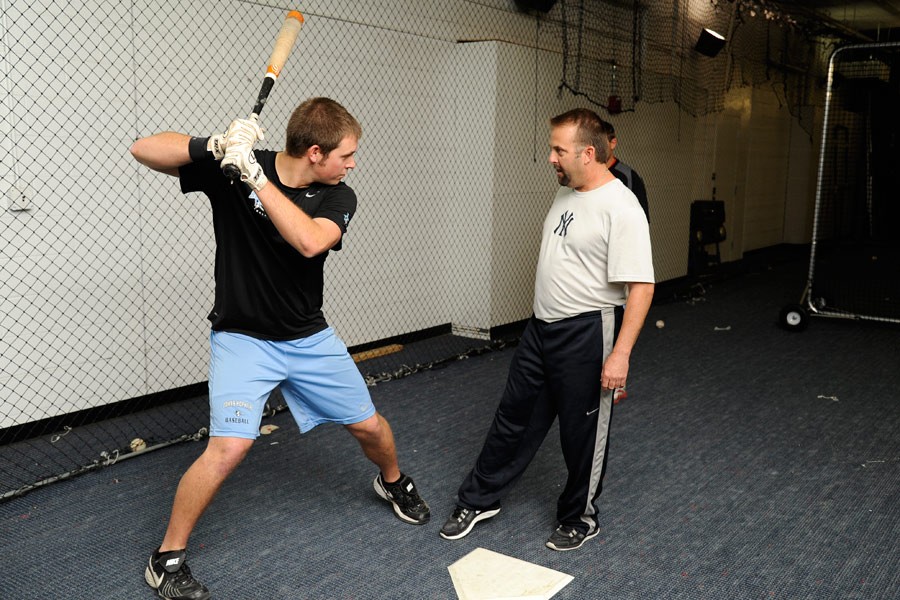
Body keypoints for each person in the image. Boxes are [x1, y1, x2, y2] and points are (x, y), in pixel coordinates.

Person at [130, 97, 430, 600]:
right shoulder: (235, 164)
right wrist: (216, 146)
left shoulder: (338, 195)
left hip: (309, 338)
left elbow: (310, 242)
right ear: (315, 151)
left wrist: (254, 177)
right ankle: (167, 559)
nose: (352, 164)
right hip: (242, 338)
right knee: (229, 447)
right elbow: (144, 149)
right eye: (346, 155)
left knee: (369, 426)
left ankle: (393, 480)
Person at [439, 108, 654, 551]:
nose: (551, 157)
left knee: (582, 432)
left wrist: (621, 354)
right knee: (512, 417)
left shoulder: (621, 206)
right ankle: (480, 499)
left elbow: (642, 286)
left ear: (588, 153)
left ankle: (580, 516)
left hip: (589, 332)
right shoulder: (568, 190)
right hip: (542, 328)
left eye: (559, 149)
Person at [601, 119, 650, 403]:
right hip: (595, 266)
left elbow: (640, 223)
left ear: (613, 142)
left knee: (617, 319)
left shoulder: (628, 177)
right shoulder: (582, 179)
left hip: (620, 263)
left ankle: (617, 380)